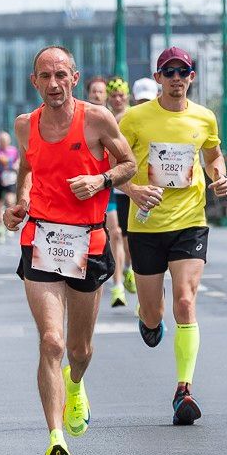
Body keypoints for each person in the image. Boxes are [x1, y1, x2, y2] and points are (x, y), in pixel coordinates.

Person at [3, 46, 135, 455]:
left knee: (78, 351)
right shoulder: (25, 125)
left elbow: (129, 164)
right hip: (40, 237)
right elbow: (27, 168)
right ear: (34, 82)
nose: (54, 83)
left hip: (88, 241)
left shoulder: (97, 119)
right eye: (45, 76)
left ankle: (75, 384)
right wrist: (20, 203)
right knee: (51, 342)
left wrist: (100, 179)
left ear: (74, 78)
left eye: (61, 75)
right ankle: (55, 439)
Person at [119, 47, 227, 426]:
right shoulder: (135, 119)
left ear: (191, 77)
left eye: (183, 72)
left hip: (189, 221)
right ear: (159, 78)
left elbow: (213, 156)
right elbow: (111, 166)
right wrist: (133, 190)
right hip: (146, 225)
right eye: (170, 72)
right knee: (154, 314)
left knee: (185, 300)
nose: (177, 78)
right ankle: (148, 318)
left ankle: (184, 389)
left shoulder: (204, 117)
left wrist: (219, 176)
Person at [103, 77, 135, 306]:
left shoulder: (134, 117)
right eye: (113, 95)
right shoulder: (104, 118)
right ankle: (118, 287)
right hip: (112, 185)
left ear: (127, 96)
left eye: (120, 95)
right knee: (115, 233)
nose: (117, 99)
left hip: (133, 184)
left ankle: (130, 268)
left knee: (130, 237)